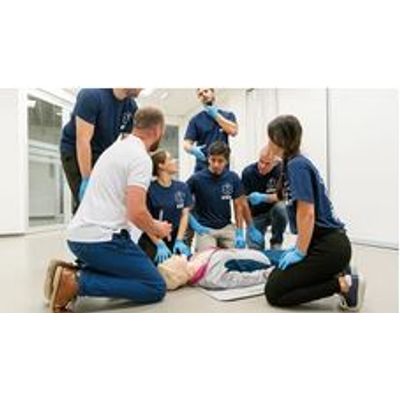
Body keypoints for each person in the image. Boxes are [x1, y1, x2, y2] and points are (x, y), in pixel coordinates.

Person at [44, 107, 172, 312]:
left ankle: (68, 273)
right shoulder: (140, 157)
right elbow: (136, 213)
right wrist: (158, 228)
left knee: (131, 269)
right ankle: (75, 282)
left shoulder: (115, 149)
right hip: (101, 241)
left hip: (78, 238)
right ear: (157, 130)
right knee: (155, 286)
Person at [263, 115, 366, 311]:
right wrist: (299, 247)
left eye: (271, 138)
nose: (268, 143)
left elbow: (307, 213)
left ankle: (344, 284)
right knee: (276, 278)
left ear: (281, 139)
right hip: (322, 243)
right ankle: (339, 272)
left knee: (274, 292)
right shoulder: (293, 164)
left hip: (329, 247)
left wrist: (300, 251)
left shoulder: (296, 165)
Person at [60, 88, 142, 213]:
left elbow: (125, 143)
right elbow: (83, 141)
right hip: (75, 150)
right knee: (87, 202)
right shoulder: (91, 95)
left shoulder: (131, 106)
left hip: (102, 151)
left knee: (104, 200)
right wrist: (87, 179)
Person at [187, 141, 264, 252]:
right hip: (205, 229)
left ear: (226, 161)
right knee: (207, 258)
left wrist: (240, 232)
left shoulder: (232, 178)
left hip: (226, 227)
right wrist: (194, 224)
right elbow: (182, 202)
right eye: (213, 160)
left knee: (238, 255)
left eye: (220, 161)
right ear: (208, 159)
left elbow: (239, 205)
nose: (216, 164)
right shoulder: (196, 179)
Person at [138, 150, 192, 264]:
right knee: (155, 269)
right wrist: (159, 243)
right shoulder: (149, 190)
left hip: (176, 237)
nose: (175, 161)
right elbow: (144, 220)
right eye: (170, 159)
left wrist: (179, 239)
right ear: (161, 165)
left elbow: (184, 215)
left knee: (182, 267)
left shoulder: (182, 187)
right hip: (153, 238)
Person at [242, 146, 288, 250]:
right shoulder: (248, 172)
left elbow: (285, 195)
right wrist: (249, 226)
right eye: (261, 161)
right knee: (254, 249)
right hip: (256, 215)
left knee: (281, 208)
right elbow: (242, 203)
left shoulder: (281, 171)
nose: (262, 166)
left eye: (267, 164)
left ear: (275, 163)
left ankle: (276, 242)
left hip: (274, 211)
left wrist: (264, 197)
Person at [183, 88, 238, 173]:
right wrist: (193, 150)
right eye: (200, 94)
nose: (204, 95)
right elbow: (186, 144)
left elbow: (233, 131)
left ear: (213, 92)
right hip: (202, 167)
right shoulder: (195, 120)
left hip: (222, 167)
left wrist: (216, 116)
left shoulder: (228, 115)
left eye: (206, 91)